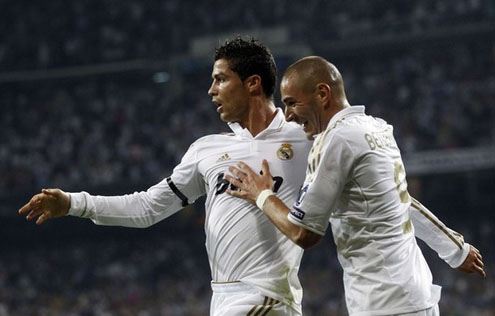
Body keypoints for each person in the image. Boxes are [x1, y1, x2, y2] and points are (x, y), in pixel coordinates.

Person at [18, 37, 313, 316]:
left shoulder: (305, 140)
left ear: (252, 84)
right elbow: (148, 207)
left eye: (221, 79)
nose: (211, 90)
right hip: (223, 297)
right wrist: (73, 203)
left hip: (268, 297)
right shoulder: (206, 150)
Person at [225, 56, 486, 316]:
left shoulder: (333, 141)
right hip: (418, 297)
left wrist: (262, 195)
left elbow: (303, 233)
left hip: (383, 303)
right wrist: (455, 249)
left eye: (292, 103)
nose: (289, 115)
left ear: (323, 94)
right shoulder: (378, 128)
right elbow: (402, 202)